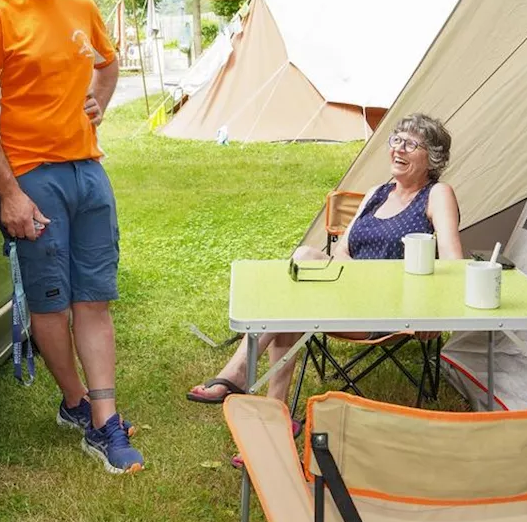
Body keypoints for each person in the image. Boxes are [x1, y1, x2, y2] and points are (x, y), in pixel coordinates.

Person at [0, 0, 143, 474]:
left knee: (95, 297)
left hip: (89, 172)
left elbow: (107, 63)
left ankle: (105, 418)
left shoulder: (81, 6)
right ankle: (75, 404)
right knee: (52, 303)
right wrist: (9, 193)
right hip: (33, 177)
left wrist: (99, 103)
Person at [187, 113, 463, 408]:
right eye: (396, 140)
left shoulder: (436, 194)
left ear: (432, 158)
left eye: (411, 144)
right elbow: (342, 251)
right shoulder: (376, 194)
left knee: (291, 303)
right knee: (303, 258)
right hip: (350, 293)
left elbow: (452, 261)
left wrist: (434, 312)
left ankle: (248, 386)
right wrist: (353, 282)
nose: (398, 148)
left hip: (389, 308)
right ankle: (269, 403)